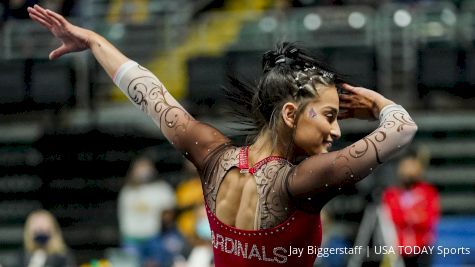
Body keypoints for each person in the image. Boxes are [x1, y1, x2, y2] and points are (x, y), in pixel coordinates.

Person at [27, 4, 418, 266]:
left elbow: (150, 94)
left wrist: (95, 41)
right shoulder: (305, 181)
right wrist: (377, 103)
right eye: (331, 116)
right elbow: (402, 129)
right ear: (288, 113)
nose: (336, 130)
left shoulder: (212, 156)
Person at [382, 155, 440, 267]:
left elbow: (428, 219)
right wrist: (413, 215)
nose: (408, 175)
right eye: (405, 170)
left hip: (423, 245)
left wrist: (408, 216)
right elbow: (392, 218)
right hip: (398, 247)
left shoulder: (428, 192)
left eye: (412, 171)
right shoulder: (392, 194)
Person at [118, 156, 176, 266]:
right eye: (139, 167)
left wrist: (164, 232)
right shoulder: (127, 191)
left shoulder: (161, 188)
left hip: (154, 236)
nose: (143, 171)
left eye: (145, 167)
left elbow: (169, 214)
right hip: (131, 238)